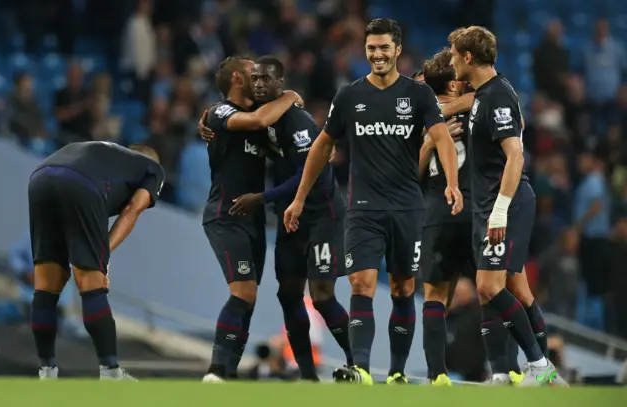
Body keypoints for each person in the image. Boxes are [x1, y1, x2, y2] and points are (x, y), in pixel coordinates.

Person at [284, 18, 463, 385]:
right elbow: (322, 147)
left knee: (403, 288)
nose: (377, 55)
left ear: (397, 50)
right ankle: (361, 368)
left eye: (384, 48)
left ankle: (397, 372)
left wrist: (453, 184)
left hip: (407, 208)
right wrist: (299, 198)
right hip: (363, 210)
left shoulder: (419, 96)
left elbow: (443, 139)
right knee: (361, 283)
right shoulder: (349, 95)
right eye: (371, 48)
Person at [199, 56, 353, 381]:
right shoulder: (251, 115)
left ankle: (359, 362)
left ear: (278, 82)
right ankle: (304, 378)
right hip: (263, 216)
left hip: (319, 215)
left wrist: (265, 198)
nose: (259, 83)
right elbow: (247, 120)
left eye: (265, 78)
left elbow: (307, 170)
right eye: (254, 77)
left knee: (321, 296)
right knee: (282, 294)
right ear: (242, 79)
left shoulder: (293, 120)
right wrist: (208, 117)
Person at [447, 26, 564, 386]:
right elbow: (504, 116)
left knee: (487, 286)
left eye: (454, 54)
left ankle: (539, 364)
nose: (451, 61)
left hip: (505, 204)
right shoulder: (487, 93)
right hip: (491, 204)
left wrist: (500, 209)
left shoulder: (496, 95)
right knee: (518, 289)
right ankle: (545, 374)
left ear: (468, 58)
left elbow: (515, 155)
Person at [201, 56, 303, 383]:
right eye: (251, 71)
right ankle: (216, 370)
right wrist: (288, 96)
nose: (258, 75)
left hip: (253, 219)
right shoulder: (220, 112)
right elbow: (258, 121)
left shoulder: (258, 116)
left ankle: (228, 374)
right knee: (243, 293)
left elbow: (268, 126)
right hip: (225, 215)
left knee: (249, 298)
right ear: (235, 78)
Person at [28, 141, 165, 380]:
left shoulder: (107, 155)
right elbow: (133, 208)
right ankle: (110, 371)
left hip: (40, 177)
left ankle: (46, 371)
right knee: (92, 284)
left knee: (47, 285)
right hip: (83, 184)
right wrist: (104, 251)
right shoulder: (152, 168)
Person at [417, 48, 474, 387]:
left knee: (435, 296)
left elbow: (411, 176)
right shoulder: (478, 107)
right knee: (492, 290)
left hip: (437, 210)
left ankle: (436, 374)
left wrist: (425, 144)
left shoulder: (420, 119)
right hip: (473, 208)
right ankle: (505, 368)